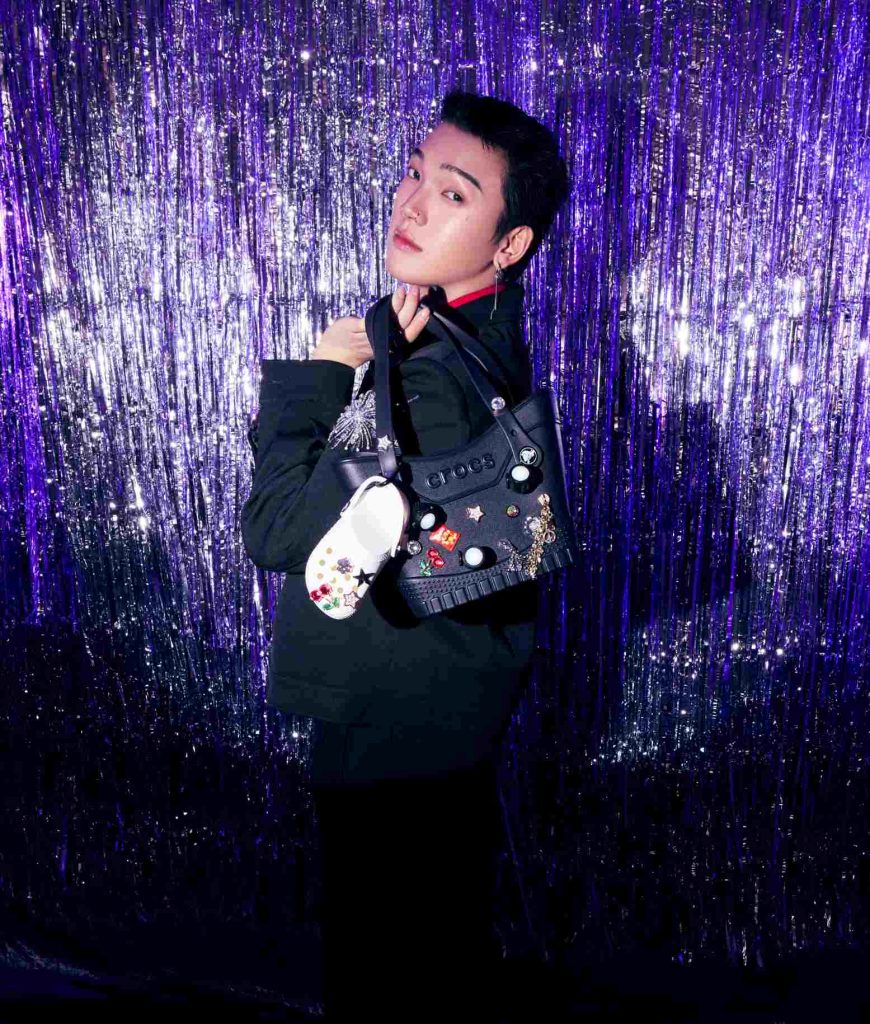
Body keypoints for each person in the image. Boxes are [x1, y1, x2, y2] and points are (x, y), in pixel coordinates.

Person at [241, 89, 570, 1022]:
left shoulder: (427, 384)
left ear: (510, 244)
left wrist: (320, 373)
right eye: (415, 173)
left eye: (455, 194)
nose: (413, 204)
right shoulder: (472, 340)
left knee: (384, 969)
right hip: (449, 710)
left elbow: (274, 531)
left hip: (390, 725)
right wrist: (384, 347)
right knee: (432, 947)